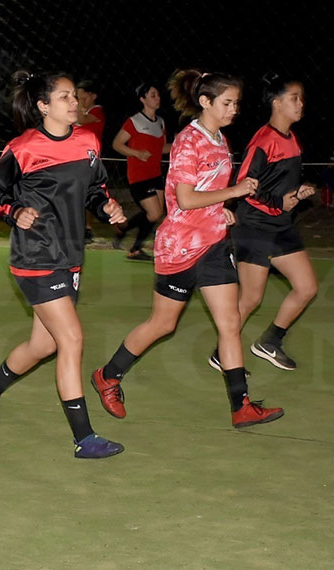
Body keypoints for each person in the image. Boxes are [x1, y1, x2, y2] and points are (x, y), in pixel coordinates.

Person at [91, 70, 285, 429]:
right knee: (162, 324)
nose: (234, 109)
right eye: (227, 103)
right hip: (179, 247)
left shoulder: (221, 140)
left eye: (236, 103)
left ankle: (241, 405)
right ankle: (107, 375)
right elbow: (184, 199)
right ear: (205, 102)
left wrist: (221, 209)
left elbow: (206, 192)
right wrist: (234, 192)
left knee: (230, 323)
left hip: (214, 244)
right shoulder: (188, 141)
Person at [0, 70, 127, 459]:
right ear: (43, 106)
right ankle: (84, 438)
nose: (74, 102)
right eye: (64, 97)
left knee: (42, 344)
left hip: (70, 256)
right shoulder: (24, 148)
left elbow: (95, 190)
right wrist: (14, 211)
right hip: (36, 256)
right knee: (71, 339)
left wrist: (106, 207)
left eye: (74, 95)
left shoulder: (88, 141)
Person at [215, 75, 317, 372]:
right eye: (294, 97)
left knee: (307, 287)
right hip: (254, 226)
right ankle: (222, 354)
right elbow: (244, 185)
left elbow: (280, 185)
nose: (301, 103)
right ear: (277, 103)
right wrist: (277, 202)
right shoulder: (263, 141)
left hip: (281, 225)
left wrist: (298, 193)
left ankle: (270, 341)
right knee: (250, 299)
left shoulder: (292, 139)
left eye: (301, 98)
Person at [111, 82, 171, 261]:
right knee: (154, 213)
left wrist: (179, 145)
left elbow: (161, 149)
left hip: (155, 174)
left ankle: (129, 239)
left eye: (158, 95)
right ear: (142, 99)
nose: (157, 98)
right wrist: (137, 153)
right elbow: (117, 144)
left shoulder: (160, 122)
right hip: (139, 175)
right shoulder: (134, 121)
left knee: (155, 214)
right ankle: (130, 239)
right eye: (153, 95)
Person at [75, 79, 104, 244]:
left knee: (88, 194)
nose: (80, 100)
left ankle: (87, 228)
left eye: (83, 96)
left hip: (90, 158)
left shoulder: (97, 110)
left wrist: (79, 103)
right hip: (75, 156)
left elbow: (82, 119)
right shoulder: (80, 111)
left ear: (93, 96)